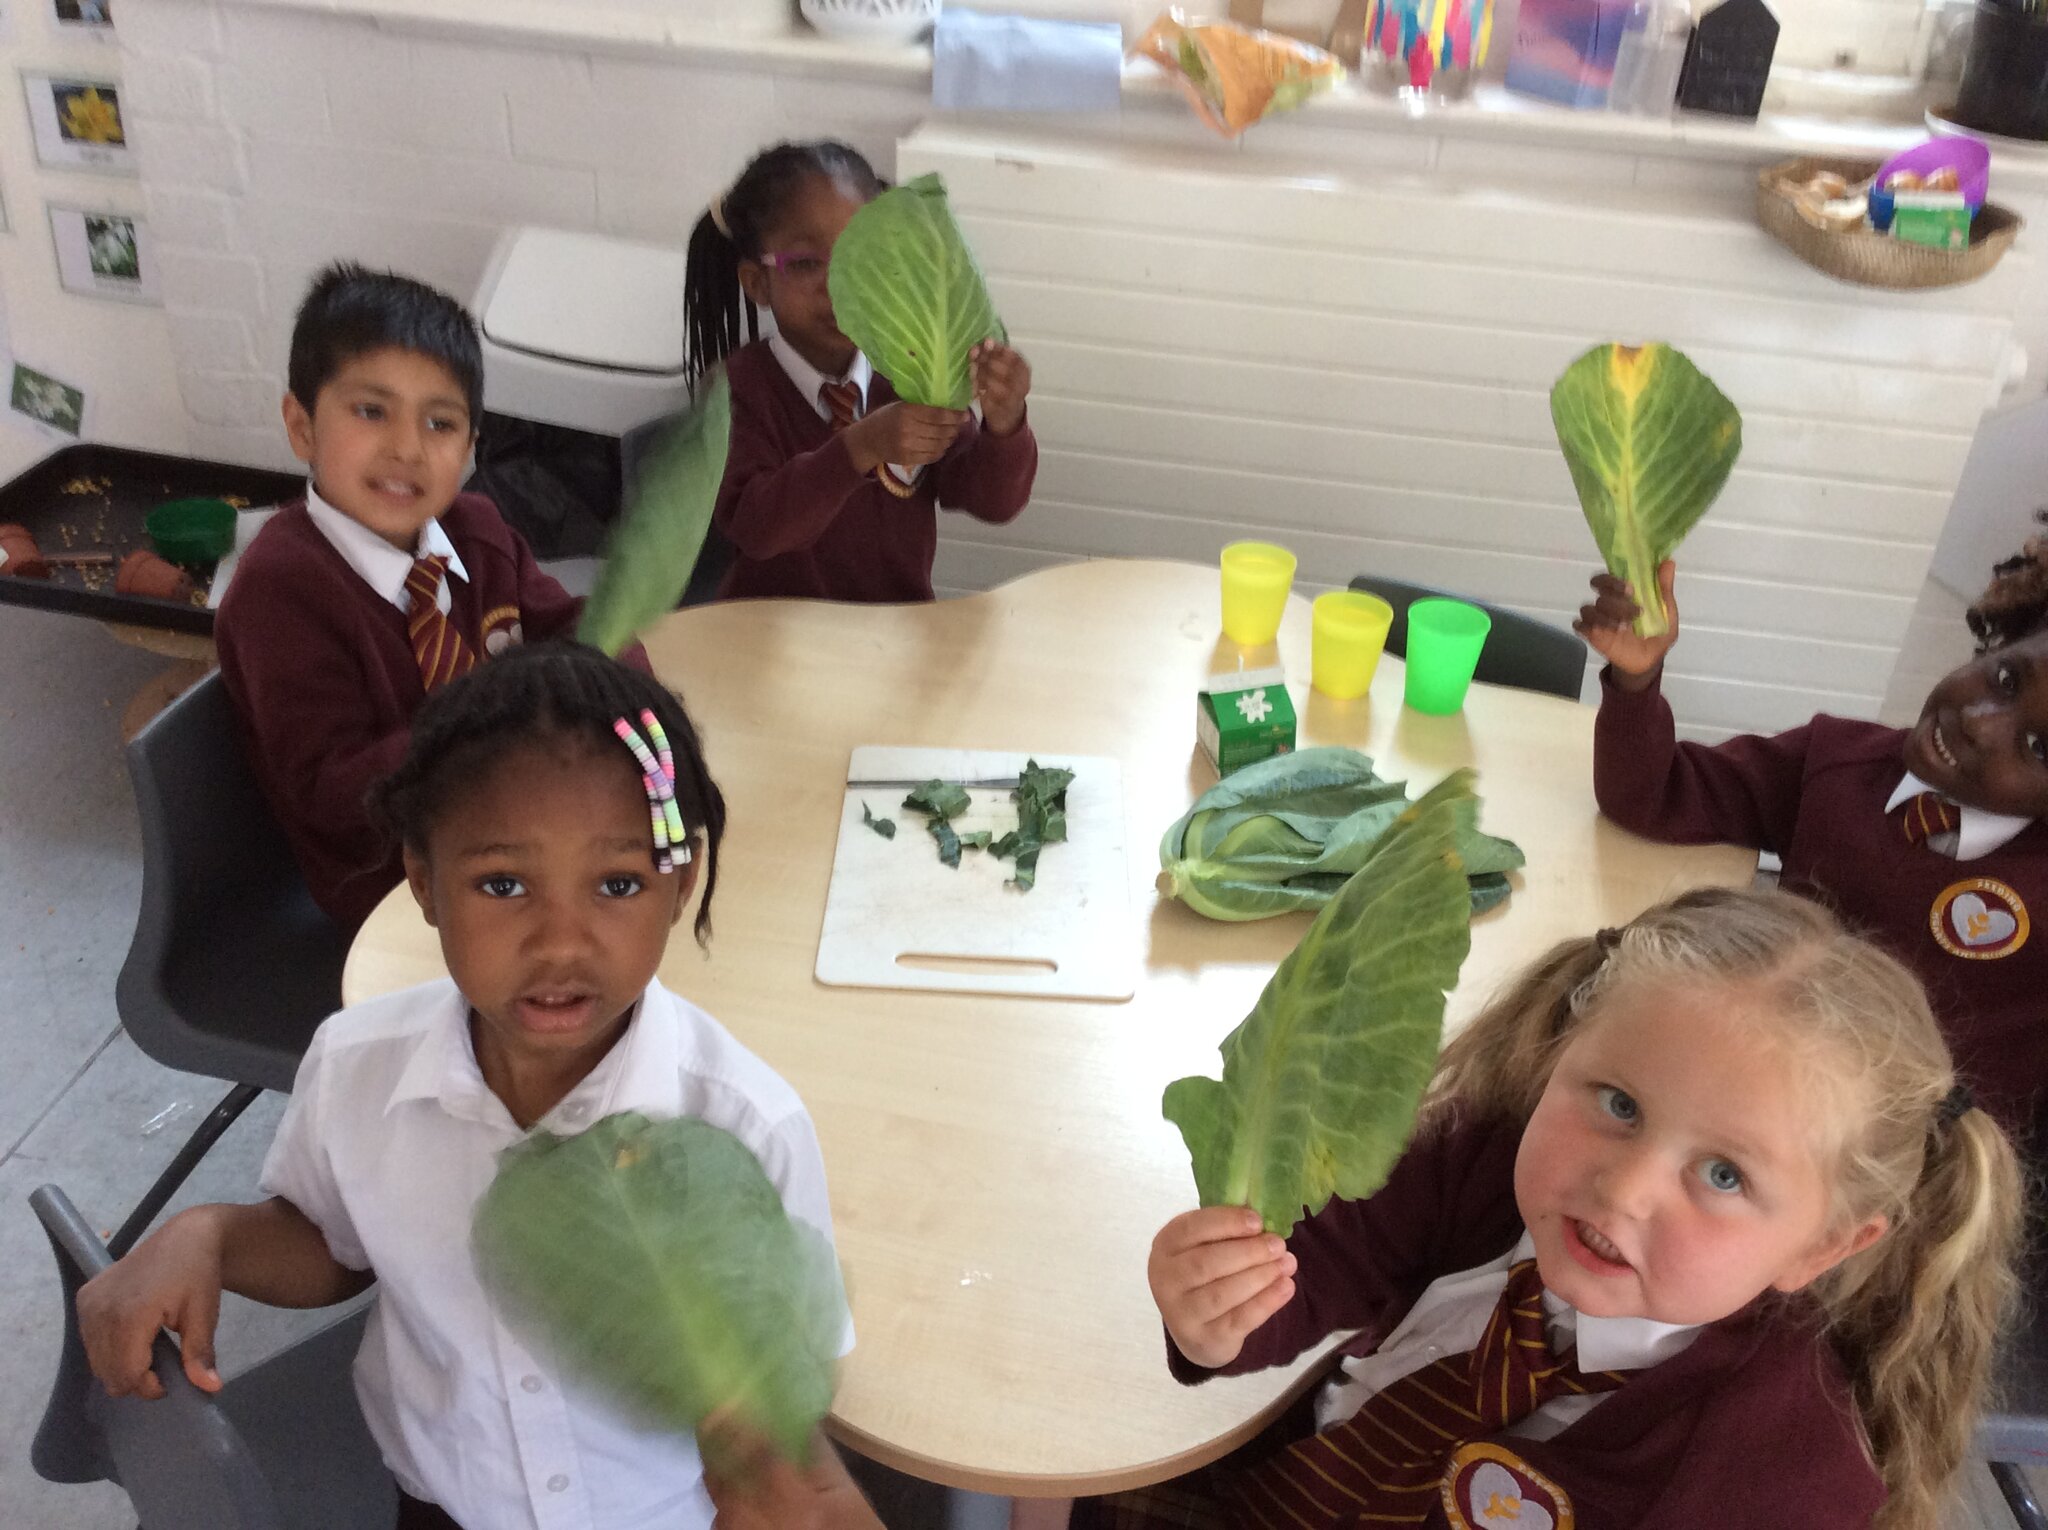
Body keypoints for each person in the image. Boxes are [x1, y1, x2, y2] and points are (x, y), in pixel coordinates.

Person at [76, 643, 848, 1530]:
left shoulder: (748, 1124)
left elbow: (799, 1373)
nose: (562, 941)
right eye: (504, 883)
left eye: (619, 883)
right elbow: (332, 1245)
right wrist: (208, 1236)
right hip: (439, 1504)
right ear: (423, 882)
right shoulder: (357, 1066)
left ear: (681, 885)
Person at [1096, 888, 2021, 1530]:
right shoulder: (1488, 1162)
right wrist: (1223, 1313)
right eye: (1617, 1104)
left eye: (1725, 1176)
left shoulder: (1775, 1482)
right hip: (1271, 1488)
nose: (1622, 1189)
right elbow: (1328, 1256)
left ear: (1820, 1248)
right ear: (1560, 1058)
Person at [216, 263, 645, 931]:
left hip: (521, 829)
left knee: (680, 857)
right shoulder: (281, 590)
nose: (407, 449)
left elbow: (583, 630)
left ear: (472, 447)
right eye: (370, 411)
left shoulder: (476, 531)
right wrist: (498, 712)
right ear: (301, 427)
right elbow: (334, 797)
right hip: (392, 889)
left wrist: (609, 675)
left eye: (441, 424)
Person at [1577, 531, 2048, 1138]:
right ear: (1999, 642)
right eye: (2007, 680)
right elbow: (1652, 797)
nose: (1982, 726)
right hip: (1741, 1087)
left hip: (1910, 1168)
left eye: (2039, 747)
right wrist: (1635, 680)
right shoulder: (1835, 760)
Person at [682, 139, 1038, 603]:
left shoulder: (911, 372)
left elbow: (993, 502)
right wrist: (861, 446)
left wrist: (1005, 422)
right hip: (770, 638)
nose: (838, 287)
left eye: (863, 261)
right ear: (757, 283)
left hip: (893, 636)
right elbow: (756, 527)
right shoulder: (736, 390)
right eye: (807, 263)